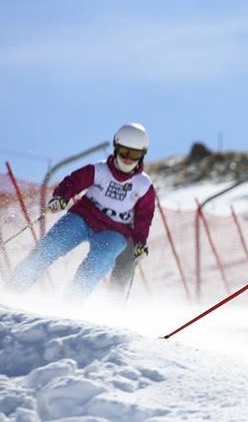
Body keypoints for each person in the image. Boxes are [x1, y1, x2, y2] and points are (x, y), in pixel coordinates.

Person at [6, 123, 157, 298]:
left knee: (97, 265)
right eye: (124, 151)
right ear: (116, 148)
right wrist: (61, 197)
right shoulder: (99, 169)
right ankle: (12, 291)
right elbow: (73, 182)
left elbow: (144, 218)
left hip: (115, 232)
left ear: (143, 155)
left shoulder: (143, 185)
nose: (128, 159)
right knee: (49, 247)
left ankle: (70, 304)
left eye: (135, 154)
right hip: (83, 218)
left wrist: (140, 243)